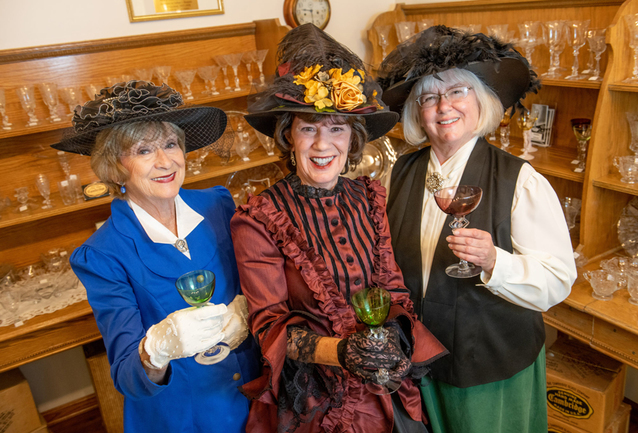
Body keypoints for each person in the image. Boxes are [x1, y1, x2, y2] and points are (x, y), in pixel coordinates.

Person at [232, 24, 447, 433]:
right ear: (288, 135)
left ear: (353, 139)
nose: (321, 144)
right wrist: (344, 352)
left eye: (336, 128)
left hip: (384, 389)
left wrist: (393, 343)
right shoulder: (259, 218)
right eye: (308, 128)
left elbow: (393, 289)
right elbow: (271, 329)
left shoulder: (369, 197)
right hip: (317, 400)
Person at [377, 25, 577, 433]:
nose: (443, 106)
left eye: (456, 92)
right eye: (429, 97)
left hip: (490, 366)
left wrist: (494, 261)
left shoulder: (521, 180)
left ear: (481, 100)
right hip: (418, 361)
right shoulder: (397, 172)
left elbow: (558, 280)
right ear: (417, 112)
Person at [53, 81, 259, 433]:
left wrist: (251, 308)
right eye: (143, 150)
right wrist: (156, 349)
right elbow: (128, 379)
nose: (165, 161)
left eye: (170, 144)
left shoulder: (217, 204)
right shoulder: (101, 255)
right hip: (187, 418)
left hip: (258, 397)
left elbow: (257, 276)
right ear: (116, 167)